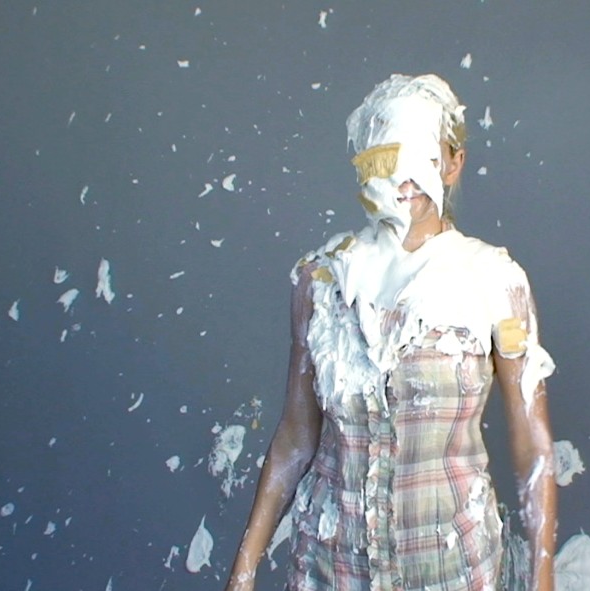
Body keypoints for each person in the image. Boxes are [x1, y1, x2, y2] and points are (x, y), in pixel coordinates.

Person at [225, 73, 556, 591]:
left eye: (421, 157)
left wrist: (543, 578)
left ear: (453, 163)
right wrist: (243, 572)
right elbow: (295, 435)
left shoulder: (494, 280)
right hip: (331, 567)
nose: (403, 179)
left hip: (453, 570)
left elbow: (533, 445)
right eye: (385, 159)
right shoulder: (322, 280)